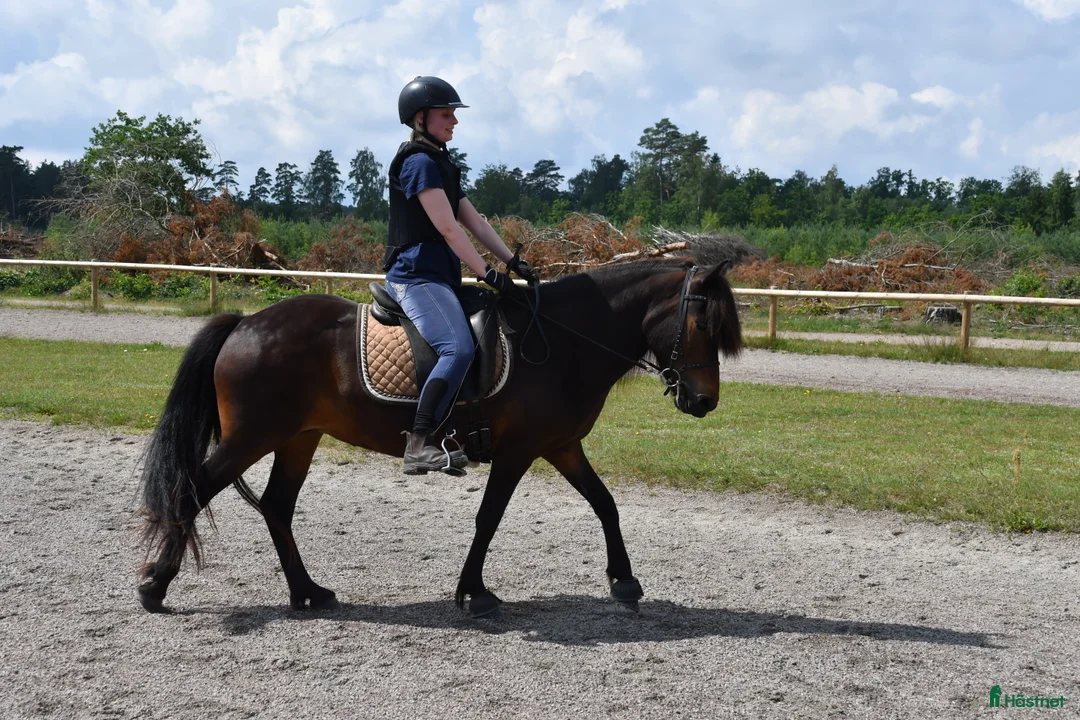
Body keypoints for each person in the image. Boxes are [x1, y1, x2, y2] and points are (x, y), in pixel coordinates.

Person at [384, 75, 538, 475]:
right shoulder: (418, 163)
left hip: (440, 277)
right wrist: (487, 273)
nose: (454, 121)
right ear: (421, 118)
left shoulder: (441, 163)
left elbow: (476, 224)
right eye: (446, 113)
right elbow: (449, 230)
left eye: (454, 114)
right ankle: (419, 444)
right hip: (415, 277)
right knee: (458, 348)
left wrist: (512, 262)